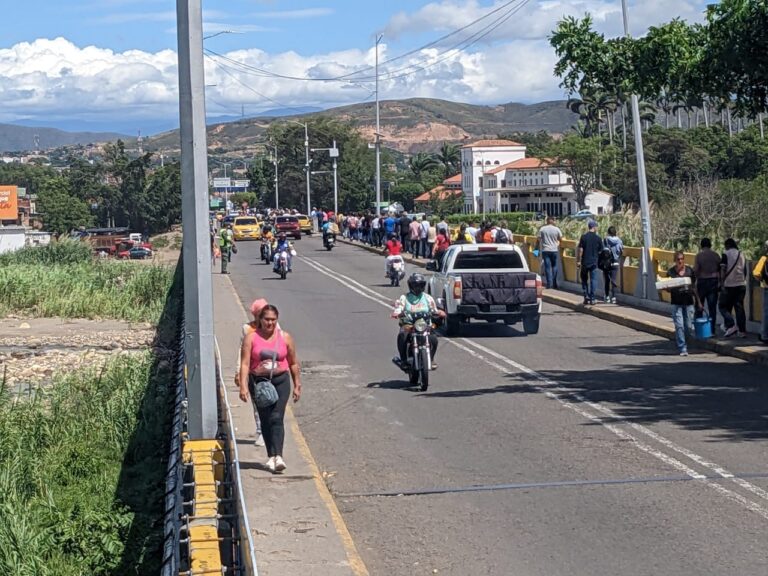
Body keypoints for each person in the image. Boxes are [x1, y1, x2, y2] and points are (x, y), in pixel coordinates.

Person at [239, 305, 301, 473]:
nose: (270, 323)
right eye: (267, 319)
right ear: (260, 319)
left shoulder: (285, 338)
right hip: (259, 383)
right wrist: (243, 386)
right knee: (265, 418)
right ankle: (271, 455)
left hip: (280, 381)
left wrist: (297, 384)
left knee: (276, 416)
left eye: (273, 320)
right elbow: (245, 364)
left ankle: (279, 456)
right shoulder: (251, 338)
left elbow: (293, 362)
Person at [391, 273, 446, 369]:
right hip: (409, 324)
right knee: (402, 336)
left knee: (433, 339)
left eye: (420, 285)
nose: (418, 287)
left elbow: (434, 309)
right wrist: (396, 313)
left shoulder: (428, 298)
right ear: (410, 286)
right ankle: (403, 360)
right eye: (415, 285)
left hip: (424, 325)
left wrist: (439, 312)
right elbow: (399, 307)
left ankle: (431, 359)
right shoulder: (405, 297)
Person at [664, 251, 700, 356]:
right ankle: (682, 347)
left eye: (681, 259)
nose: (680, 261)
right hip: (676, 303)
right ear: (675, 260)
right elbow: (667, 289)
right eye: (678, 259)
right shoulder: (671, 273)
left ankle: (688, 344)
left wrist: (699, 301)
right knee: (679, 326)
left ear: (684, 259)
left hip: (688, 303)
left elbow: (694, 287)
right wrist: (667, 288)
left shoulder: (689, 271)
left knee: (688, 327)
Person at [719, 237, 747, 338]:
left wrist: (722, 283)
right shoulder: (741, 254)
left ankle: (731, 325)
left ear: (727, 245)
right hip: (741, 284)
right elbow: (745, 270)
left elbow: (723, 269)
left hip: (729, 285)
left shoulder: (725, 254)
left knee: (722, 306)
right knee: (739, 308)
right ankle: (742, 331)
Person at [693, 238, 721, 335]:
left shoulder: (699, 256)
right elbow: (720, 268)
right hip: (713, 282)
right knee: (712, 307)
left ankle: (699, 329)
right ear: (710, 245)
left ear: (701, 245)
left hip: (702, 281)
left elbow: (696, 269)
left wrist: (696, 278)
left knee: (699, 306)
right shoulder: (716, 255)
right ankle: (712, 330)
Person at [576, 220, 602, 305]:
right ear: (594, 227)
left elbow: (580, 250)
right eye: (596, 227)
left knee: (584, 279)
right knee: (593, 280)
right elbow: (601, 250)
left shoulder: (583, 237)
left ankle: (586, 296)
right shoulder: (598, 238)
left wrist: (579, 261)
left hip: (585, 262)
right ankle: (593, 298)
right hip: (594, 262)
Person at [538, 217, 563, 289]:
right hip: (554, 250)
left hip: (545, 250)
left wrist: (536, 251)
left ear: (547, 221)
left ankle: (549, 284)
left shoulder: (542, 229)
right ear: (552, 221)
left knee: (547, 267)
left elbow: (538, 240)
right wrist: (557, 243)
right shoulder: (557, 229)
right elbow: (561, 239)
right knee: (554, 266)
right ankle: (554, 283)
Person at [751, 241, 768, 344]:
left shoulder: (764, 259)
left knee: (766, 313)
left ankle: (765, 335)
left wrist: (762, 280)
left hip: (767, 288)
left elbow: (756, 273)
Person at [602, 226, 624, 303]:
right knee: (613, 280)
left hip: (607, 263)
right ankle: (614, 297)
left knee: (607, 280)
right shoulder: (619, 241)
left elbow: (602, 250)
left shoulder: (605, 240)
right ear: (615, 232)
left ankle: (607, 296)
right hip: (615, 262)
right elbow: (621, 251)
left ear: (608, 232)